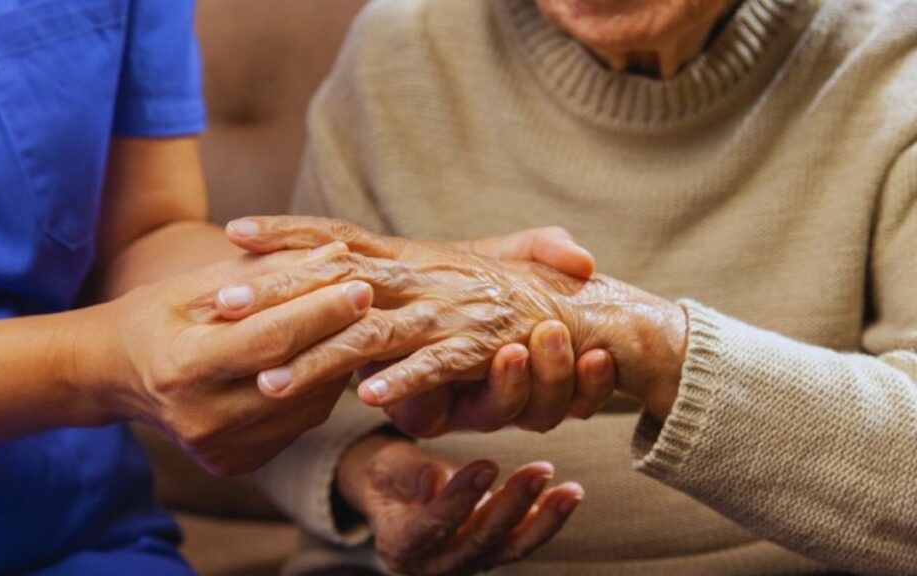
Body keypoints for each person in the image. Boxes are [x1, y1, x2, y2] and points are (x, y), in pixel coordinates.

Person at [0, 2, 599, 574]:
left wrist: (381, 280)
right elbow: (110, 353)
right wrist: (98, 364)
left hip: (70, 531)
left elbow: (145, 233)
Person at [225, 0, 917, 573]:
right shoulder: (397, 46)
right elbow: (286, 390)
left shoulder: (894, 56)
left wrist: (645, 339)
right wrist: (366, 472)